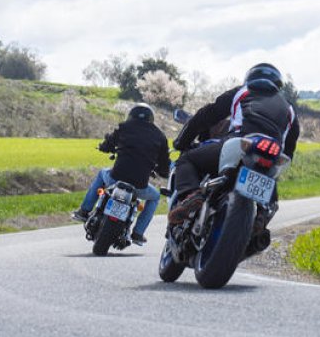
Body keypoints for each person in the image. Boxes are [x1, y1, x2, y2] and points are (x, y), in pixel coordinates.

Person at [167, 62, 301, 224]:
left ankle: (191, 194)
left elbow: (206, 115)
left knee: (187, 159)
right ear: (278, 83)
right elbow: (290, 146)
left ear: (249, 78)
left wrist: (181, 142)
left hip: (240, 144)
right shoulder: (289, 108)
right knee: (270, 193)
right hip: (273, 153)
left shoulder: (242, 92)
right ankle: (261, 218)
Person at [72, 103, 170, 245]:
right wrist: (162, 172)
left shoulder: (125, 127)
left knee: (101, 174)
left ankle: (84, 211)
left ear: (131, 115)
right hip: (140, 185)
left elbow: (109, 143)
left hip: (115, 178)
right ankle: (138, 232)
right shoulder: (160, 136)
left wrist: (104, 147)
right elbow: (164, 164)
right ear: (151, 118)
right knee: (154, 197)